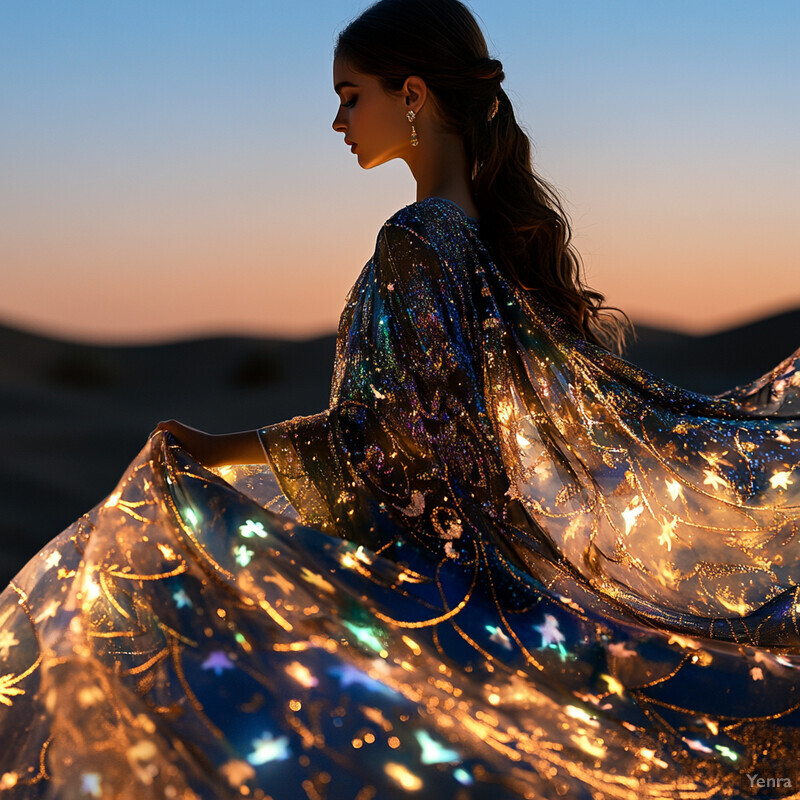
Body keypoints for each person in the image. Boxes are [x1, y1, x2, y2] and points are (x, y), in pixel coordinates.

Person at [1, 1, 798, 798]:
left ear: (411, 94)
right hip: (491, 581)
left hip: (421, 591)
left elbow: (385, 439)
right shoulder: (483, 242)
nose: (337, 120)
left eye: (352, 95)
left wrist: (217, 451)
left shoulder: (416, 240)